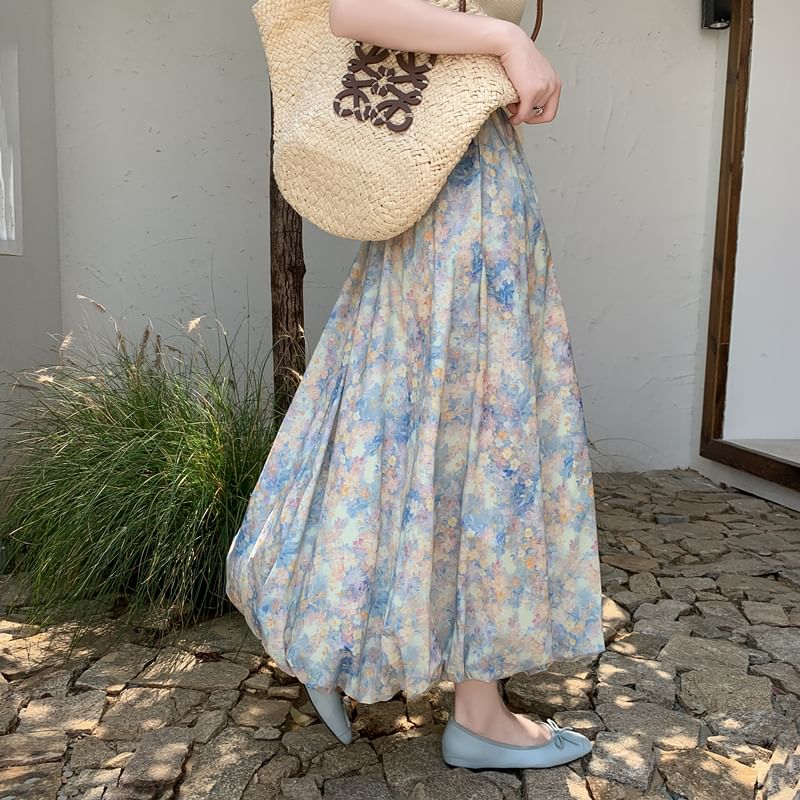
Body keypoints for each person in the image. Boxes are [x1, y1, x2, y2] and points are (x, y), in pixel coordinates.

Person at [226, 0, 606, 770]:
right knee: (477, 434)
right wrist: (505, 37)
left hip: (461, 178)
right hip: (459, 196)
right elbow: (358, 9)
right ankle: (467, 706)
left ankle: (335, 637)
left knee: (401, 421)